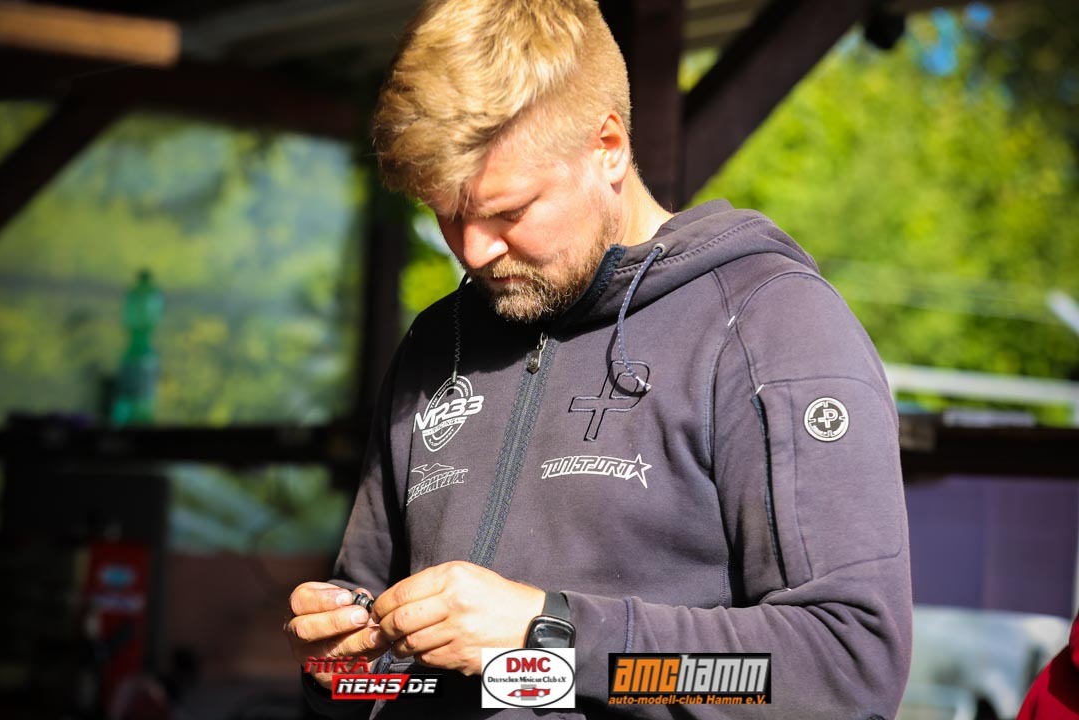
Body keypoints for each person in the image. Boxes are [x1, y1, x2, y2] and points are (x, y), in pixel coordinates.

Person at [284, 0, 912, 717]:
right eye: (448, 212)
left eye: (507, 211)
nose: (473, 250)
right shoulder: (435, 344)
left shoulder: (770, 327)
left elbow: (842, 676)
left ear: (608, 146)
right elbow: (388, 680)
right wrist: (342, 674)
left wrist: (555, 638)